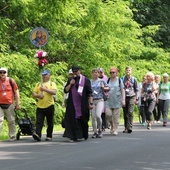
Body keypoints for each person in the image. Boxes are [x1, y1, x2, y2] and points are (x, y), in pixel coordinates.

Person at [63, 65, 93, 142]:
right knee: (72, 120)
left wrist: (90, 103)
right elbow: (66, 90)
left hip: (82, 103)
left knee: (83, 119)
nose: (75, 73)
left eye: (76, 71)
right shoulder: (70, 79)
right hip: (72, 103)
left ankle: (83, 134)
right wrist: (70, 84)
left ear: (79, 71)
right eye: (74, 72)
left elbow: (90, 93)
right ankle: (73, 136)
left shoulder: (85, 80)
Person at [32, 70, 57, 141]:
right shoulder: (38, 84)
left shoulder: (52, 83)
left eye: (45, 75)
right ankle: (38, 134)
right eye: (43, 75)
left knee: (50, 122)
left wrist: (45, 90)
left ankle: (49, 135)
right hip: (40, 106)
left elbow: (54, 92)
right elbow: (34, 93)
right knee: (39, 121)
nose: (44, 76)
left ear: (49, 75)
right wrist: (38, 95)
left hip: (49, 105)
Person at [0, 67, 21, 141]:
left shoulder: (11, 81)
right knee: (0, 120)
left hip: (9, 103)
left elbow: (16, 92)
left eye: (4, 72)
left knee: (11, 120)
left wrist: (18, 103)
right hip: (0, 104)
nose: (2, 74)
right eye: (1, 72)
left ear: (7, 73)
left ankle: (12, 136)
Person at [105, 67, 125, 136]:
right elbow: (104, 88)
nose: (112, 73)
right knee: (108, 114)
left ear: (116, 73)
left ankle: (115, 129)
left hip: (117, 101)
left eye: (113, 72)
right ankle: (112, 125)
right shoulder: (107, 80)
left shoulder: (119, 80)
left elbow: (122, 90)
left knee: (116, 116)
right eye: (110, 72)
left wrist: (123, 99)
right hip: (108, 101)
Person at [90, 68, 109, 138]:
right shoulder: (90, 82)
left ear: (98, 74)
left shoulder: (102, 81)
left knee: (98, 115)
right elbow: (88, 91)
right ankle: (95, 132)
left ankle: (100, 129)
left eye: (97, 72)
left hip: (100, 100)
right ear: (92, 74)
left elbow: (108, 88)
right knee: (93, 117)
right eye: (94, 72)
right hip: (92, 100)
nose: (95, 74)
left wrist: (104, 88)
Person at [122, 66, 138, 133]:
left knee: (130, 112)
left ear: (131, 71)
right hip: (125, 97)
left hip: (132, 96)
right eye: (127, 70)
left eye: (129, 70)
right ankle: (126, 127)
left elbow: (136, 89)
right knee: (125, 113)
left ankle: (130, 127)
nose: (128, 72)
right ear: (125, 71)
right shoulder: (122, 79)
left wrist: (136, 99)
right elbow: (121, 88)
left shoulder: (134, 79)